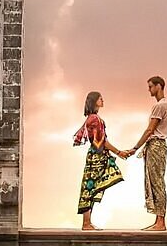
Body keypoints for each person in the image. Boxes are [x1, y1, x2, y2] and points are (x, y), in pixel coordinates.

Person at [74, 91, 128, 230]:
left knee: (92, 187)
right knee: (90, 187)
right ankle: (86, 223)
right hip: (96, 157)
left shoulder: (95, 118)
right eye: (100, 98)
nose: (102, 100)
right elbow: (101, 141)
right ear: (94, 101)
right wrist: (118, 152)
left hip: (98, 155)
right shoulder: (94, 119)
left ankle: (88, 222)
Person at [122, 76, 167, 231]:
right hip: (155, 146)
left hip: (156, 145)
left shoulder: (160, 106)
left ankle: (161, 222)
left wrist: (135, 147)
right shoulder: (161, 105)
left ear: (159, 86)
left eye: (151, 86)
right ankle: (158, 220)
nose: (149, 89)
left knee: (157, 181)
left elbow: (150, 130)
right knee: (154, 181)